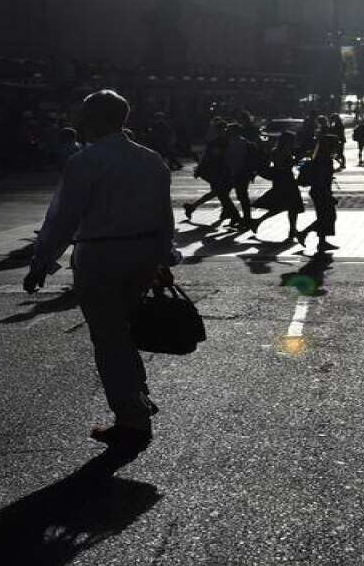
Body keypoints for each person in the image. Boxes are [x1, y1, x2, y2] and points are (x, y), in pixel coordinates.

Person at [24, 90, 178, 449]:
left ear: (94, 119)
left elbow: (64, 217)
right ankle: (138, 396)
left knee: (109, 338)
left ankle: (131, 417)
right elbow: (163, 216)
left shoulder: (85, 161)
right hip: (142, 252)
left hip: (101, 255)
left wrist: (42, 261)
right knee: (126, 330)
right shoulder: (151, 159)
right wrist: (163, 257)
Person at [249, 132, 304, 242]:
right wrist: (296, 161)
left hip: (284, 180)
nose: (293, 143)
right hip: (284, 181)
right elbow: (282, 166)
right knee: (287, 206)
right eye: (292, 141)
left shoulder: (278, 150)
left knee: (289, 207)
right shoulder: (280, 152)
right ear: (286, 141)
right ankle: (291, 230)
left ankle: (292, 230)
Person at [183, 125, 240, 224]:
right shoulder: (219, 142)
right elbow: (212, 157)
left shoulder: (222, 141)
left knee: (219, 192)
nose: (226, 132)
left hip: (219, 171)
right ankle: (232, 214)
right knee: (221, 193)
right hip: (217, 172)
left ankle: (193, 207)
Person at [295, 135, 340, 253]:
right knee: (328, 216)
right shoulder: (324, 160)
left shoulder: (320, 157)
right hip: (321, 192)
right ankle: (304, 234)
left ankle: (321, 242)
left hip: (318, 191)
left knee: (324, 216)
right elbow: (321, 180)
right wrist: (328, 196)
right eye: (335, 144)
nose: (337, 146)